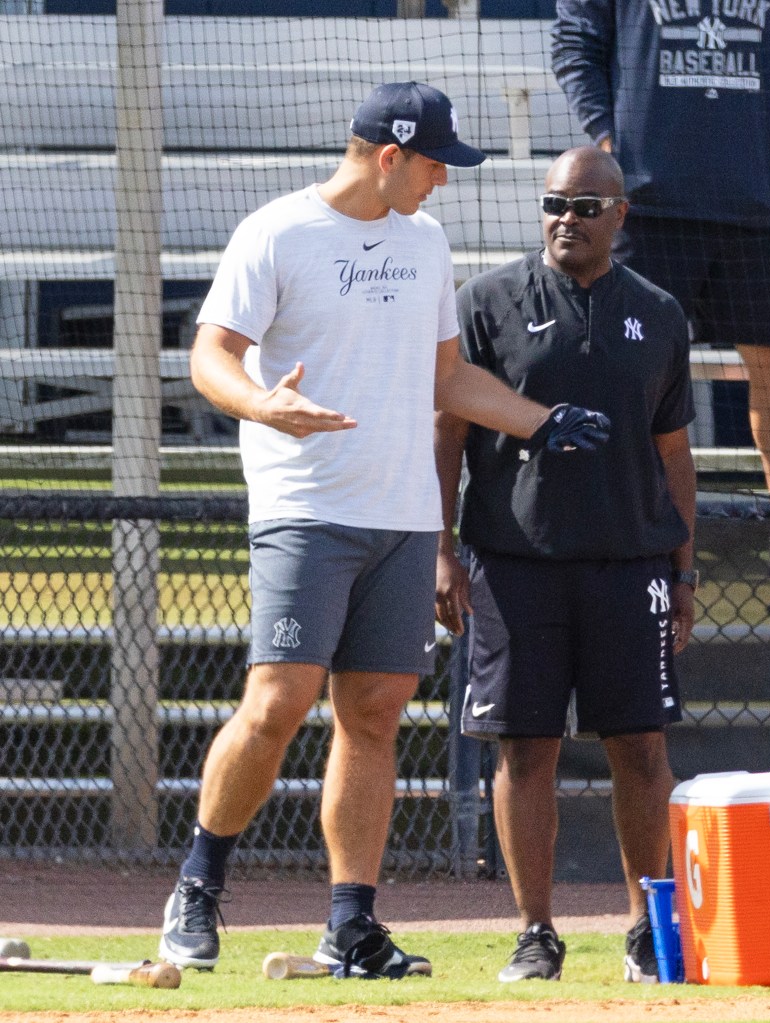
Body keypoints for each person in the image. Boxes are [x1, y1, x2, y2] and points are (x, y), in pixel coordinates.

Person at [158, 82, 610, 978]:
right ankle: (198, 885)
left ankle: (351, 924)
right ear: (391, 155)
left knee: (372, 716)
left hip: (402, 515)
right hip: (304, 509)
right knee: (279, 702)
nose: (445, 180)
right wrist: (263, 405)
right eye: (436, 161)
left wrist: (538, 419)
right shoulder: (277, 231)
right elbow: (211, 354)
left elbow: (448, 379)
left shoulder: (426, 242)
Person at [434, 146, 696, 983]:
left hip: (631, 564)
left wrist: (684, 572)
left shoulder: (658, 313)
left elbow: (675, 453)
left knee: (642, 748)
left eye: (585, 207)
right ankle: (535, 931)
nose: (565, 221)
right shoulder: (486, 303)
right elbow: (448, 433)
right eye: (553, 203)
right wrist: (442, 548)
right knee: (525, 749)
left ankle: (643, 926)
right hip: (515, 564)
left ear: (620, 217)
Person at [551, 0, 770, 582]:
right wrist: (614, 149)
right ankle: (625, 521)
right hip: (646, 205)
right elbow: (575, 45)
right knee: (627, 364)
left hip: (748, 203)